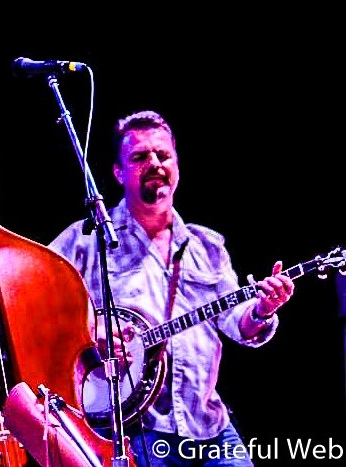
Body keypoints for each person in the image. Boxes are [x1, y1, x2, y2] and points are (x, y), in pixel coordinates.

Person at [48, 110, 295, 467]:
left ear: (177, 165)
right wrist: (89, 333)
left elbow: (237, 324)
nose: (154, 163)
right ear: (118, 172)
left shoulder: (206, 245)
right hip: (134, 428)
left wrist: (262, 310)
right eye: (139, 157)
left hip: (207, 424)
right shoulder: (87, 239)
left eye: (163, 155)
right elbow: (36, 299)